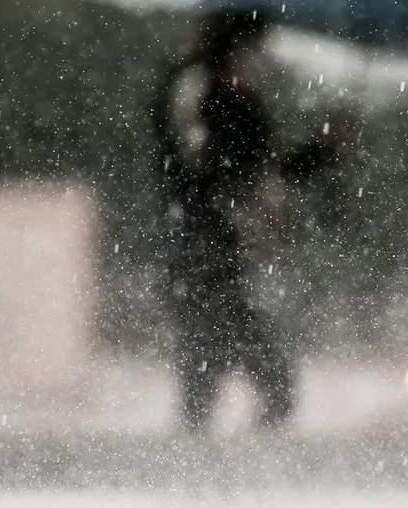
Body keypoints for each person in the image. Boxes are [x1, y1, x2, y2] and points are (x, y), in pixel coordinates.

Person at [153, 10, 361, 431]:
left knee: (226, 374)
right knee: (229, 372)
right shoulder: (195, 88)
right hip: (196, 250)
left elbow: (263, 173)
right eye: (255, 48)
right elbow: (195, 166)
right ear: (233, 47)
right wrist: (227, 108)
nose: (262, 58)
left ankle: (215, 472)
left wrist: (322, 150)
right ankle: (204, 475)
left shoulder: (240, 98)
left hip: (222, 255)